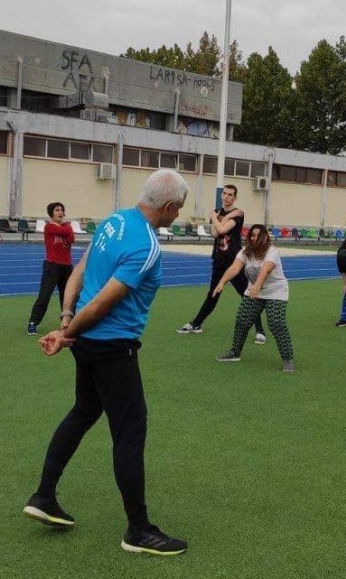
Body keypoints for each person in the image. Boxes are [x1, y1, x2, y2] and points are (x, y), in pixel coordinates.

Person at [23, 169, 190, 557]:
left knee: (83, 411)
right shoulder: (146, 245)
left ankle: (44, 495)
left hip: (86, 342)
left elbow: (80, 272)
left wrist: (66, 320)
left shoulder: (114, 220)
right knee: (130, 433)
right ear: (167, 207)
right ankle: (138, 530)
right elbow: (100, 305)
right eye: (178, 209)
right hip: (112, 348)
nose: (177, 216)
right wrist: (67, 331)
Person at [176, 184, 265, 342]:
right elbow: (215, 232)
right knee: (213, 294)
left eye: (230, 194)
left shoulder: (239, 214)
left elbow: (223, 230)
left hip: (235, 262)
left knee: (247, 294)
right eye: (224, 193)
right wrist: (220, 219)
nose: (226, 197)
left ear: (235, 198)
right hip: (219, 260)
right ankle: (196, 324)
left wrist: (217, 219)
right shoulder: (218, 212)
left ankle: (260, 330)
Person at [214, 224, 295, 373]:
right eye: (252, 235)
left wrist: (258, 284)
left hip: (275, 291)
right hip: (254, 291)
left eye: (258, 235)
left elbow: (266, 268)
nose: (254, 238)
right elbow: (234, 268)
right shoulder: (245, 253)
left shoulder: (273, 251)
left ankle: (288, 359)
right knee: (242, 320)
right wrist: (222, 282)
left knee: (276, 323)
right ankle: (234, 353)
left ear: (265, 237)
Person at [27, 202, 75, 336]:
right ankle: (33, 323)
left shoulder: (67, 226)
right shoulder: (48, 227)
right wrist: (67, 229)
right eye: (57, 210)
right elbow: (65, 232)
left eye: (62, 210)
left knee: (67, 297)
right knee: (44, 296)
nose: (60, 212)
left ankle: (68, 322)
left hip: (67, 266)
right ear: (51, 213)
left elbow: (71, 239)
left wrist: (68, 229)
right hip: (52, 266)